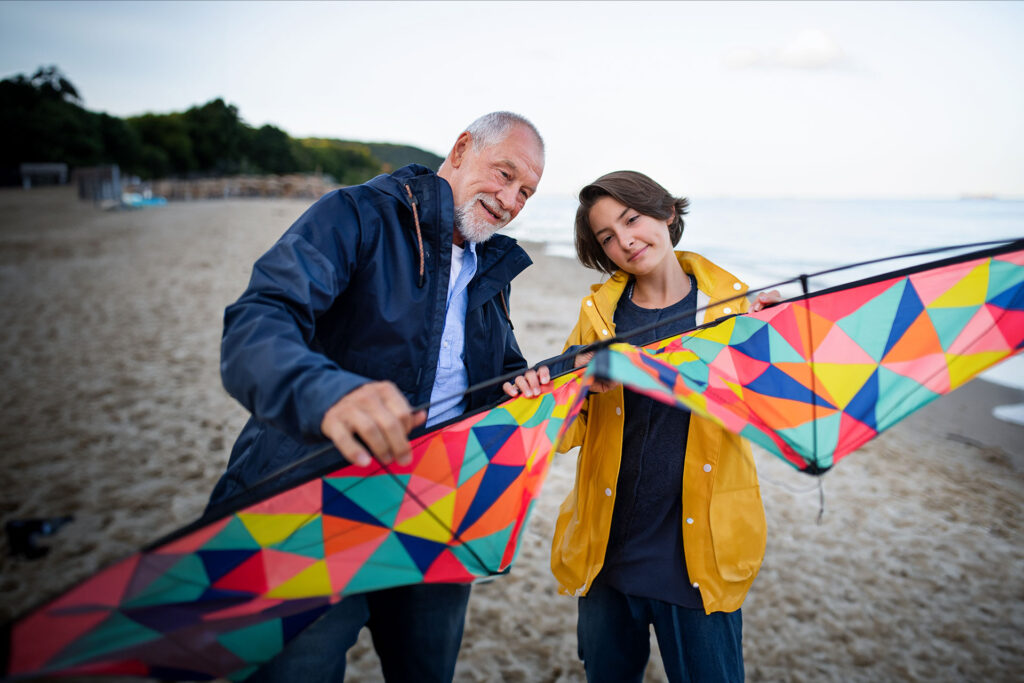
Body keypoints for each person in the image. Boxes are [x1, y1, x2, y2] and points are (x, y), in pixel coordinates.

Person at [207, 112, 545, 682]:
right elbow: (256, 324)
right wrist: (330, 395)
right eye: (504, 174)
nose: (510, 200)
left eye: (526, 193)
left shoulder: (492, 264)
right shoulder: (357, 213)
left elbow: (502, 376)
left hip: (437, 517)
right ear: (461, 148)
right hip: (317, 508)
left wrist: (545, 382)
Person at [505, 171, 779, 682]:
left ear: (667, 213)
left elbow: (777, 406)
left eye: (632, 219)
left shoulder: (735, 308)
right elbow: (564, 432)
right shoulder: (600, 317)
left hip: (698, 556)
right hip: (605, 551)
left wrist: (781, 337)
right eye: (607, 236)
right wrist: (557, 387)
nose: (625, 240)